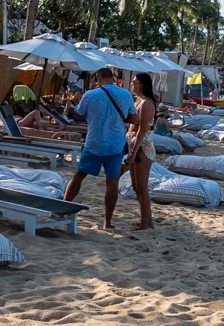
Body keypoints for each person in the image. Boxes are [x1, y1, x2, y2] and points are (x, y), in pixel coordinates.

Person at [63, 67, 134, 226]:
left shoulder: (91, 94)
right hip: (116, 144)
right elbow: (133, 118)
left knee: (79, 176)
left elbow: (79, 114)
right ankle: (107, 222)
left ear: (98, 79)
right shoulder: (125, 94)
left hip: (94, 142)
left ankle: (62, 209)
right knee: (112, 183)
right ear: (113, 78)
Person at [125, 72, 157, 231]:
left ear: (142, 84)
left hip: (142, 148)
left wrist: (133, 152)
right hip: (135, 146)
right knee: (136, 186)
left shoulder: (146, 104)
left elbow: (142, 131)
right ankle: (147, 220)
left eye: (134, 82)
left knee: (142, 187)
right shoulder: (138, 101)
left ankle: (146, 223)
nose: (132, 84)